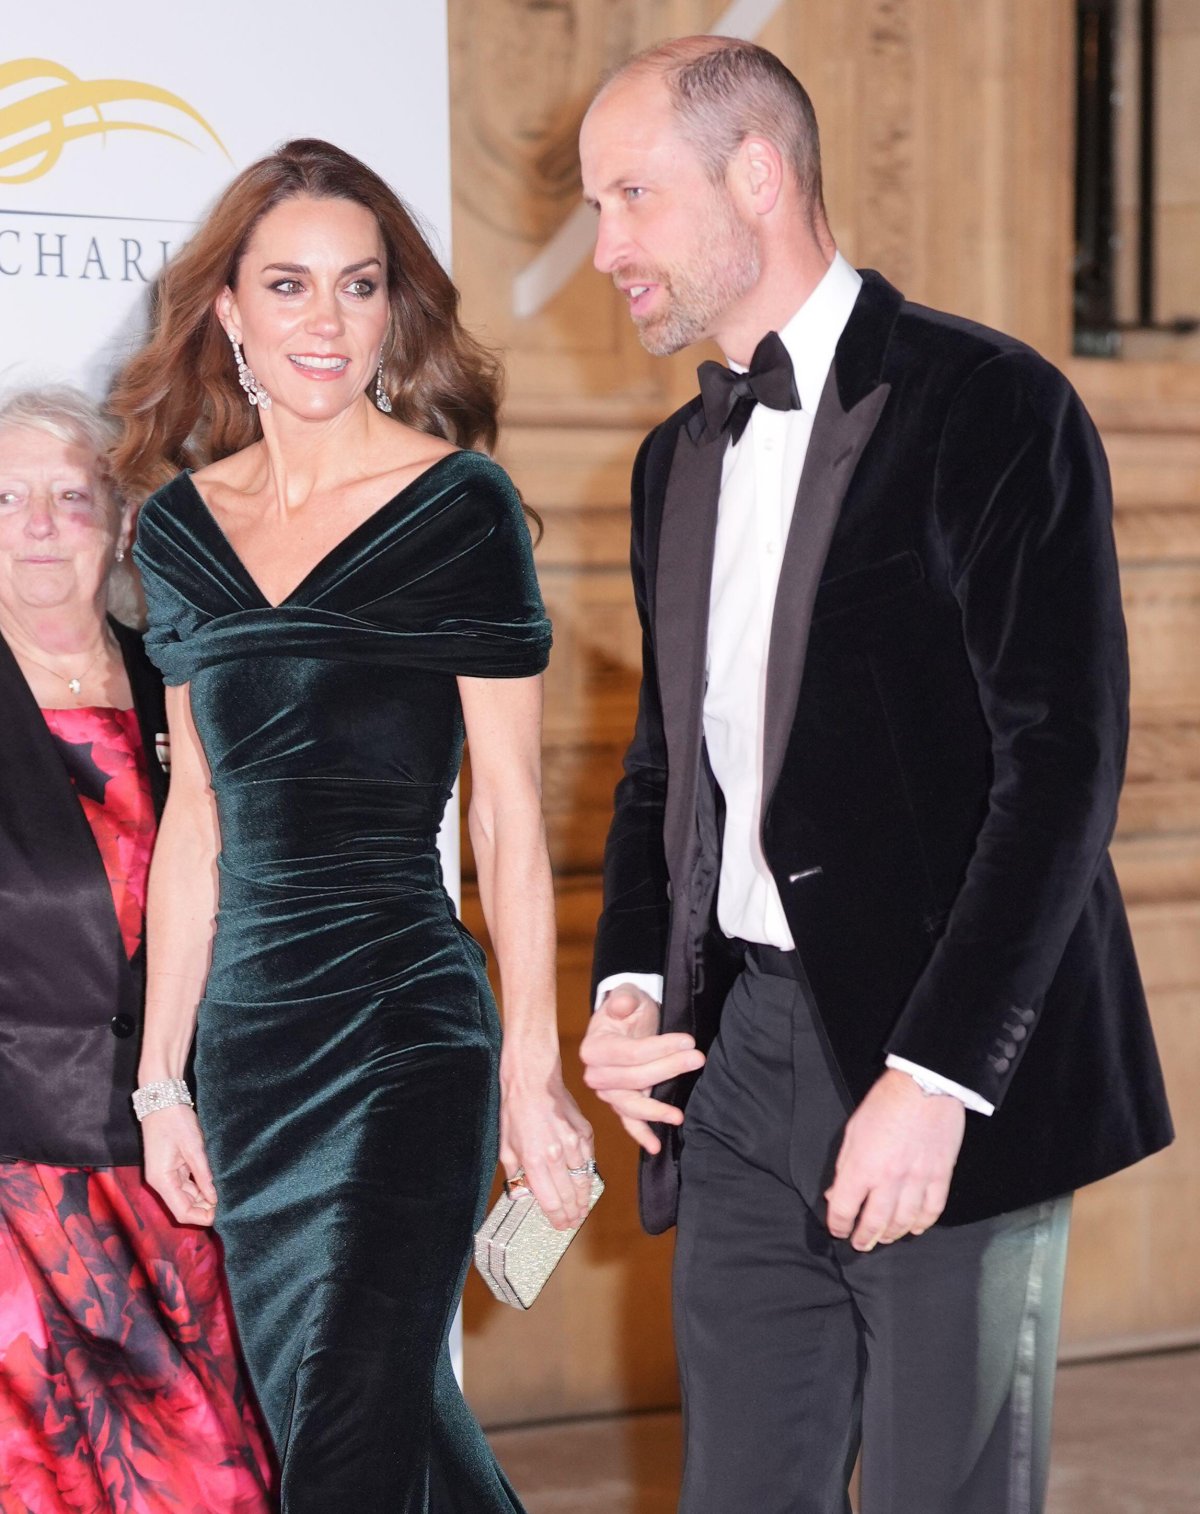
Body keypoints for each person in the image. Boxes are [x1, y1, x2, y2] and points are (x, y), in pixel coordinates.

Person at [578, 37, 1173, 1514]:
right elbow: (664, 770)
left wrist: (936, 1076)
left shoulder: (995, 403)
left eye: (632, 197)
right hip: (738, 1058)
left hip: (937, 1055)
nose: (604, 250)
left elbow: (1062, 766)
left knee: (943, 1493)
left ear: (757, 176)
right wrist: (632, 984)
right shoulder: (669, 462)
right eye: (598, 208)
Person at [108, 138, 592, 1513]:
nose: (326, 319)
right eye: (289, 284)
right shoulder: (181, 531)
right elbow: (196, 821)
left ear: (391, 310)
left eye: (359, 284)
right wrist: (160, 1079)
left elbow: (508, 816)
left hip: (403, 1029)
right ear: (229, 311)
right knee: (390, 1431)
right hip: (251, 1052)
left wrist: (532, 1069)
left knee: (346, 1440)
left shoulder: (459, 507)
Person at [0, 387, 273, 1513]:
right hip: (20, 1189)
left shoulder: (188, 687)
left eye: (71, 498)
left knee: (221, 1480)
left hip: (192, 1167)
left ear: (120, 527)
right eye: (6, 498)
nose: (38, 524)